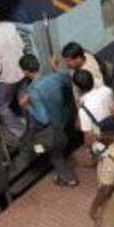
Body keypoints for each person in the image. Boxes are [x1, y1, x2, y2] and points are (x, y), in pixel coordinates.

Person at [16, 54, 77, 187]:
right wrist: (55, 67)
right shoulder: (55, 78)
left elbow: (43, 119)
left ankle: (68, 178)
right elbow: (67, 78)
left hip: (54, 132)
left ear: (25, 72)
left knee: (49, 152)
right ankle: (62, 165)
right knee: (57, 147)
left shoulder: (33, 91)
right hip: (66, 120)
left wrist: (26, 106)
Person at [74, 70, 114, 161]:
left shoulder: (84, 110)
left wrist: (87, 149)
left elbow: (88, 136)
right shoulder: (106, 90)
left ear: (78, 89)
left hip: (103, 142)